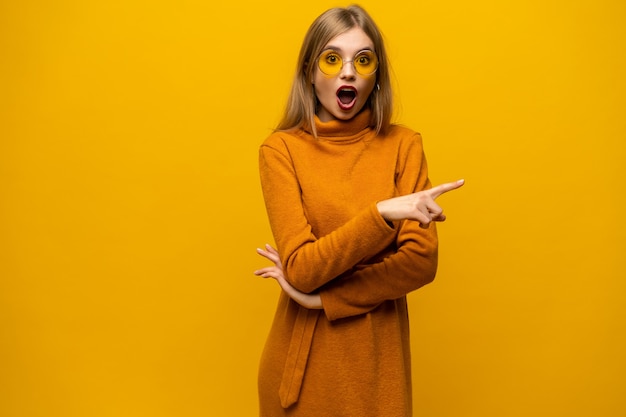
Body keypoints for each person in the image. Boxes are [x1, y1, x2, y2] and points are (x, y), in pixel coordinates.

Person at [253, 5, 464, 416]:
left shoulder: (404, 145)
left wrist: (323, 302)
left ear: (376, 76)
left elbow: (420, 263)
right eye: (332, 59)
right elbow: (300, 268)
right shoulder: (281, 151)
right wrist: (382, 214)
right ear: (309, 73)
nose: (347, 72)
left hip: (376, 370)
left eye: (362, 60)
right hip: (302, 373)